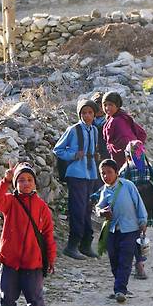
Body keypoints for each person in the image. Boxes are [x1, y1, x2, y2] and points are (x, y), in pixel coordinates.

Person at [0, 162, 56, 306]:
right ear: (16, 184)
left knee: (35, 297)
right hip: (10, 260)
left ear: (35, 183)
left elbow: (48, 235)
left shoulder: (42, 207)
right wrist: (6, 180)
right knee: (7, 295)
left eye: (29, 180)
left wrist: (50, 258)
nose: (26, 183)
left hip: (33, 262)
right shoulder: (10, 201)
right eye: (21, 180)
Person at [53, 99, 100, 260]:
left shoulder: (94, 130)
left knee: (87, 209)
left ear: (94, 114)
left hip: (91, 173)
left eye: (90, 113)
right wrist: (73, 155)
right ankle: (72, 245)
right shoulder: (73, 130)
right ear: (79, 114)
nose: (87, 116)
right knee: (78, 209)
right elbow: (58, 150)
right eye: (84, 113)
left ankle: (85, 244)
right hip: (76, 174)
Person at [96, 159, 148, 303]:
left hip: (130, 229)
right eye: (103, 173)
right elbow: (98, 208)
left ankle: (120, 290)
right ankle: (120, 285)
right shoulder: (105, 190)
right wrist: (102, 212)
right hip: (112, 231)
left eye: (109, 172)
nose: (106, 176)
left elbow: (138, 203)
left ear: (117, 173)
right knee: (114, 260)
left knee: (125, 260)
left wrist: (143, 221)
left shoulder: (128, 186)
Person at [119, 140, 153, 280]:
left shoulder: (126, 169)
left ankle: (137, 263)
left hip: (132, 204)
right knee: (141, 232)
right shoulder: (148, 167)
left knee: (134, 233)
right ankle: (140, 263)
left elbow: (118, 187)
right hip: (147, 202)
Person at [102, 92, 147, 170]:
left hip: (124, 159)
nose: (107, 108)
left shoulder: (118, 120)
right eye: (105, 105)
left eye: (110, 105)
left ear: (117, 105)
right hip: (124, 158)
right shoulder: (119, 117)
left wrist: (129, 152)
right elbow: (142, 133)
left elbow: (125, 139)